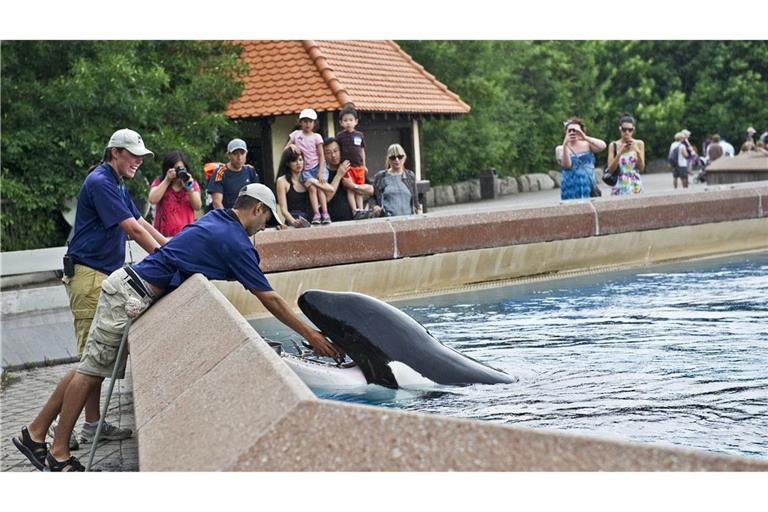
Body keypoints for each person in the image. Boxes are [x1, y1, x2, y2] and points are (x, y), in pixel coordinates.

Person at [12, 184, 344, 472]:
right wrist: (311, 335)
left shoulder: (216, 219)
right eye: (266, 220)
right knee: (92, 372)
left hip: (127, 286)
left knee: (88, 367)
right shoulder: (235, 240)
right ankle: (57, 453)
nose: (264, 227)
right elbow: (270, 299)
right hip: (130, 293)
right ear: (257, 209)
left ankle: (35, 433)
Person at [50, 129, 168, 452]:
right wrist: (166, 257)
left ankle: (91, 425)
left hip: (100, 275)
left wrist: (170, 247)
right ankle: (51, 429)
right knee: (90, 361)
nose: (139, 162)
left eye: (141, 157)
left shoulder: (115, 182)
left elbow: (140, 221)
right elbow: (130, 229)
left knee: (96, 358)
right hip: (88, 277)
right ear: (114, 152)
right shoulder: (101, 182)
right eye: (133, 155)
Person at [285, 108, 329, 224]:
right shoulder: (296, 135)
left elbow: (321, 155)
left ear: (314, 123)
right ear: (300, 122)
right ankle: (316, 214)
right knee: (312, 188)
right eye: (304, 121)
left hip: (316, 167)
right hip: (305, 170)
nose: (307, 124)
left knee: (320, 188)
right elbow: (286, 148)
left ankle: (325, 212)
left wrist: (320, 171)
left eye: (310, 121)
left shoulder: (317, 137)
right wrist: (292, 147)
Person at [148, 150, 202, 236]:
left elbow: (197, 206)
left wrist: (189, 188)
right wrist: (167, 180)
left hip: (185, 235)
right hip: (162, 236)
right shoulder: (160, 181)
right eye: (176, 169)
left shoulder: (192, 183)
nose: (178, 172)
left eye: (181, 168)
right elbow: (152, 199)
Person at [322, 137, 374, 221]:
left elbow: (371, 190)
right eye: (328, 153)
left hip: (354, 220)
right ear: (323, 155)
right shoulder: (323, 173)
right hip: (331, 222)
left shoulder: (352, 167)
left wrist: (353, 186)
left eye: (336, 151)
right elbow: (327, 197)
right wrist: (339, 175)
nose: (333, 155)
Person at [555, 117, 606, 200]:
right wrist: (565, 144)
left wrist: (585, 137)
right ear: (565, 132)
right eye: (570, 130)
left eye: (575, 130)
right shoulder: (560, 149)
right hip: (570, 187)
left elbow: (603, 146)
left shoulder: (587, 144)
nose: (572, 132)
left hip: (588, 187)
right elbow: (567, 165)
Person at [207, 138, 260, 210]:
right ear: (228, 155)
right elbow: (217, 202)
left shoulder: (250, 171)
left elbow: (257, 196)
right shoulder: (220, 172)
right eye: (235, 153)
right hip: (227, 215)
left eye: (242, 153)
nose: (239, 157)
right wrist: (226, 219)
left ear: (246, 154)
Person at [336, 103, 368, 216]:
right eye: (345, 120)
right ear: (341, 123)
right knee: (350, 189)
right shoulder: (339, 136)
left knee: (359, 189)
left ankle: (361, 209)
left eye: (351, 120)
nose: (348, 122)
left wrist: (364, 165)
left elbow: (362, 150)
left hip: (359, 167)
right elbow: (338, 151)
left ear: (356, 121)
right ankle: (355, 210)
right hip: (347, 166)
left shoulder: (360, 135)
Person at [370, 144, 419, 216]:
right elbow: (372, 197)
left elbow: (416, 201)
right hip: (388, 221)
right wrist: (374, 207)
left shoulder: (410, 176)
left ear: (404, 157)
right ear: (388, 159)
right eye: (393, 157)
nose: (397, 160)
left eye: (400, 156)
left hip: (408, 220)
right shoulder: (380, 176)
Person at [605, 114, 644, 195]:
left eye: (630, 130)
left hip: (635, 183)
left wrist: (637, 151)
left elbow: (641, 168)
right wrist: (620, 153)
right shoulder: (613, 145)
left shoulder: (639, 143)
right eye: (624, 129)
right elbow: (611, 170)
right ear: (620, 128)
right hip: (619, 183)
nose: (627, 132)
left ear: (633, 129)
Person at [275, 147, 311, 228]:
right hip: (293, 223)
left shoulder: (309, 178)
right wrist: (293, 221)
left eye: (301, 160)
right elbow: (283, 209)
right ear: (288, 163)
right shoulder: (282, 181)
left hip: (311, 221)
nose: (298, 163)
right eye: (294, 161)